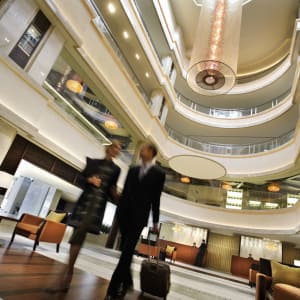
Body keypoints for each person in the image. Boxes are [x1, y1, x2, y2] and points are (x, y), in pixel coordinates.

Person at [47, 140, 121, 293]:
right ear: (108, 148)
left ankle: (66, 274)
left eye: (119, 149)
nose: (117, 150)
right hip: (84, 204)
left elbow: (111, 190)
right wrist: (90, 179)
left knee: (79, 231)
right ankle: (69, 271)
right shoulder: (93, 163)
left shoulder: (116, 170)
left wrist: (117, 196)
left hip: (97, 208)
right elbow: (80, 179)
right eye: (114, 146)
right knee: (77, 236)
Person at [104, 142, 166, 300]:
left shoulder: (159, 173)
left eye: (144, 149)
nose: (141, 151)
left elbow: (156, 199)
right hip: (124, 215)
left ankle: (112, 290)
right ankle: (127, 281)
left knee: (127, 251)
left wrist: (155, 222)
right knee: (127, 252)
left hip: (139, 218)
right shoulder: (133, 169)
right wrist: (118, 209)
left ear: (152, 152)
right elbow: (125, 192)